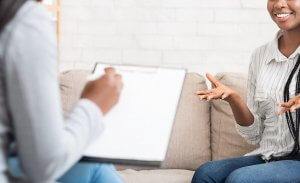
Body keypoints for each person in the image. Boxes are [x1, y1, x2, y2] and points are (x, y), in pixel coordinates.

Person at [0, 0, 124, 182]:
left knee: (93, 164)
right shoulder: (25, 21)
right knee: (95, 165)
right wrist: (94, 106)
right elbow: (45, 163)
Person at [192, 0, 300, 182]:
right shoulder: (260, 55)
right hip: (269, 155)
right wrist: (234, 99)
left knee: (240, 179)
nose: (280, 4)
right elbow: (255, 134)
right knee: (206, 173)